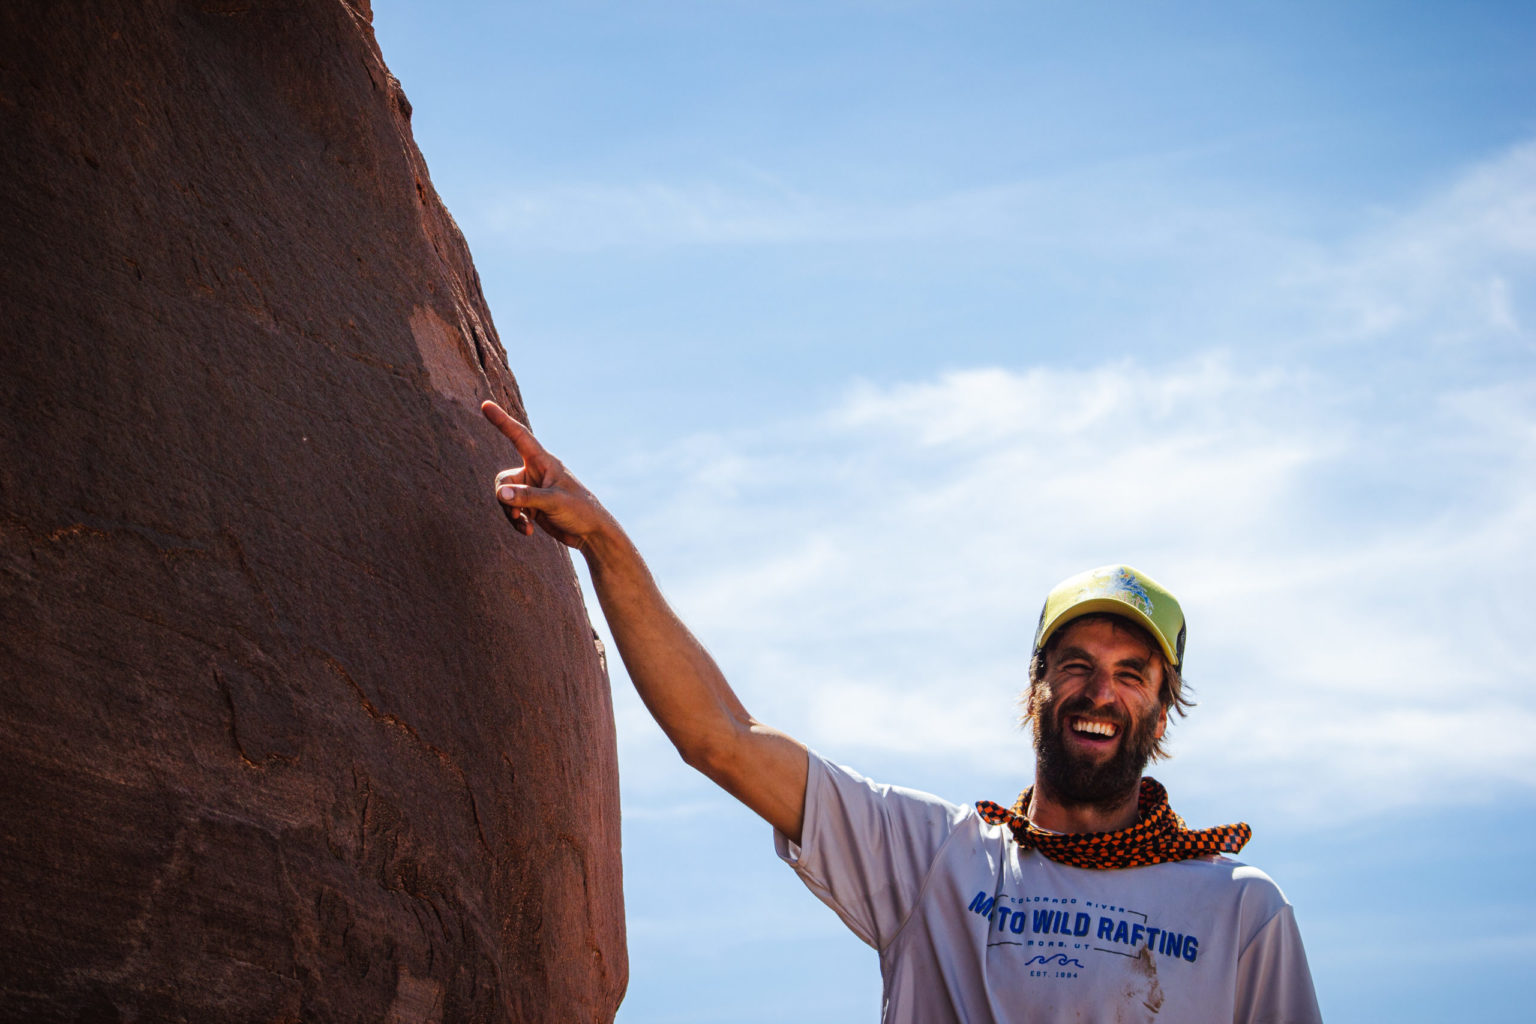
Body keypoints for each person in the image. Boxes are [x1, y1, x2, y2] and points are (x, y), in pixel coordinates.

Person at [480, 400, 1323, 1024]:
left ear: (1162, 713)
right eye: (1078, 666)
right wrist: (604, 542)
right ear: (1037, 689)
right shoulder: (936, 859)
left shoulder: (1241, 913)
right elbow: (720, 740)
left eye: (1132, 675)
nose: (1101, 692)